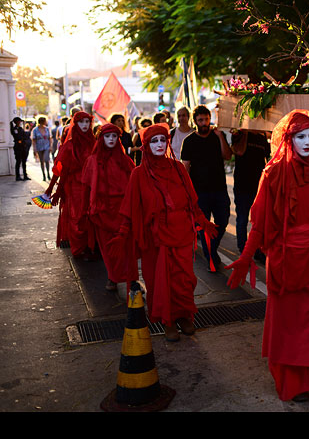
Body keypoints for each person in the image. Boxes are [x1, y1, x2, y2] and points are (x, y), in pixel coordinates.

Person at [225, 109, 309, 410]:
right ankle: (297, 384)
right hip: (287, 264)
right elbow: (260, 224)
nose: (307, 141)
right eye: (299, 136)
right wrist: (246, 257)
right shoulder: (272, 174)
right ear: (288, 140)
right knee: (290, 327)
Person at [111, 122, 218, 341]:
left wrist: (202, 221)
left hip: (181, 233)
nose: (159, 144)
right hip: (155, 238)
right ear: (146, 145)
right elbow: (130, 208)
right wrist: (122, 234)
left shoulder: (178, 168)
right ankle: (168, 320)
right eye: (154, 141)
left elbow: (191, 199)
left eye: (162, 140)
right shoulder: (138, 174)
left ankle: (184, 316)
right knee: (160, 281)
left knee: (184, 279)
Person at [81, 123, 137, 291]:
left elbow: (134, 186)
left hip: (123, 211)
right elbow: (86, 187)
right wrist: (86, 210)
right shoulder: (92, 161)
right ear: (101, 138)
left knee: (127, 247)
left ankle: (131, 279)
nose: (111, 139)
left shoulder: (126, 160)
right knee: (107, 247)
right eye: (107, 136)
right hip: (102, 211)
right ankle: (113, 277)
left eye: (114, 136)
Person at [180, 105, 232, 271]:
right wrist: (186, 192)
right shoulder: (188, 141)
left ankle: (212, 250)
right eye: (201, 120)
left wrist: (220, 137)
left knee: (222, 221)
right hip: (199, 192)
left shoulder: (218, 136)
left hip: (219, 189)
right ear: (195, 121)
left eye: (207, 119)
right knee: (203, 227)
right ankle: (211, 256)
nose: (204, 123)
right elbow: (185, 168)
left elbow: (228, 156)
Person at [45, 111, 97, 259]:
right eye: (81, 122)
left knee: (91, 215)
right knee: (77, 216)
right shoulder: (69, 146)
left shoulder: (94, 142)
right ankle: (78, 248)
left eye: (87, 122)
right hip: (74, 187)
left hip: (91, 186)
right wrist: (51, 188)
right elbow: (60, 168)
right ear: (76, 124)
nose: (85, 125)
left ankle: (90, 246)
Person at [230, 129, 270, 261]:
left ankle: (258, 250)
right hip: (242, 185)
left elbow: (267, 156)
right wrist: (242, 132)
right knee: (242, 219)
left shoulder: (262, 136)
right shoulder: (240, 134)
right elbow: (237, 150)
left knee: (258, 222)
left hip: (258, 186)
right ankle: (243, 251)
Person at [32, 116, 53, 181]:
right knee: (42, 161)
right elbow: (34, 139)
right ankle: (44, 175)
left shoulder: (47, 129)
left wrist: (50, 146)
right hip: (39, 147)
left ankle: (48, 174)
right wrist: (34, 148)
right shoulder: (35, 130)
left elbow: (50, 138)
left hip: (46, 146)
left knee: (47, 160)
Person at [10, 117, 31, 181]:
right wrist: (21, 139)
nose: (20, 123)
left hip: (23, 146)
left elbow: (24, 136)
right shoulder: (14, 129)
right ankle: (18, 176)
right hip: (18, 146)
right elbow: (17, 137)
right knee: (18, 161)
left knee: (24, 161)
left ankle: (25, 175)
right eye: (19, 121)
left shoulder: (21, 128)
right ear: (17, 122)